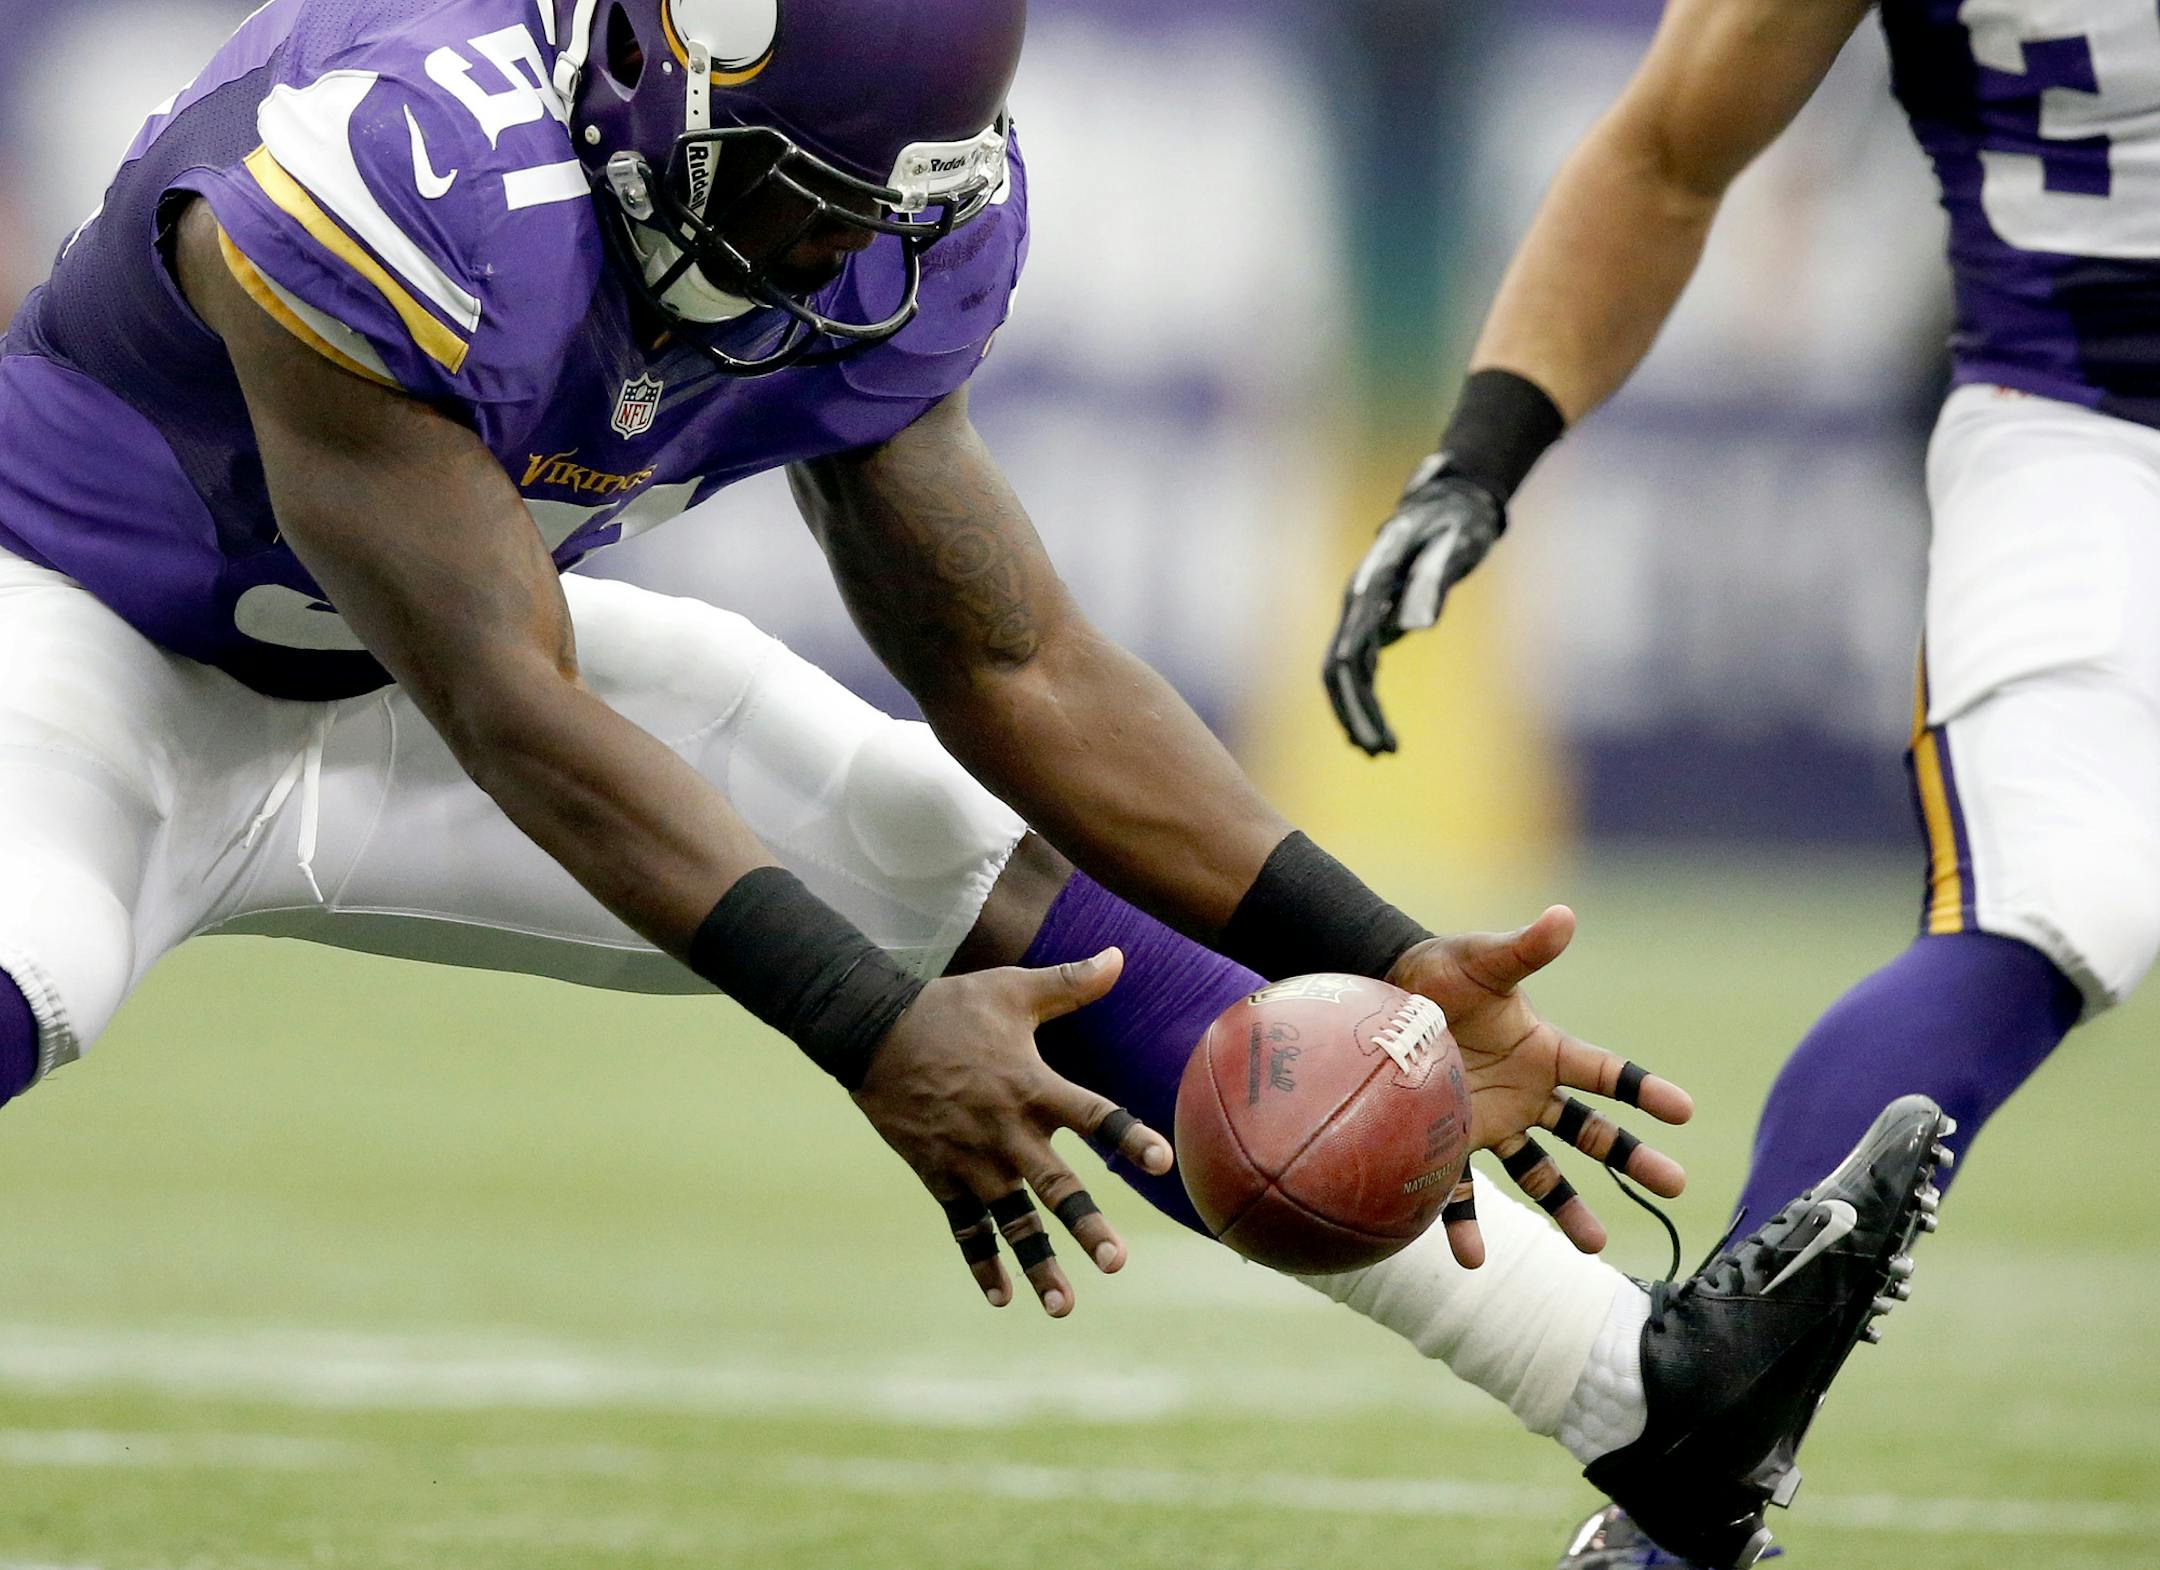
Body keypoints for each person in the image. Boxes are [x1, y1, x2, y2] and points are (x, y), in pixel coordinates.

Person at [0, 2, 1927, 1565]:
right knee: (42, 957)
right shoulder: (400, 157)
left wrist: (1388, 954)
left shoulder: (882, 220)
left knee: (937, 840)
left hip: (424, 679)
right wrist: (866, 1025)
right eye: (789, 207)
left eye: (870, 220)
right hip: (78, 647)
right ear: (649, 83)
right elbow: (509, 701)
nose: (829, 261)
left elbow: (1018, 663)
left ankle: (1651, 1403)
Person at [1321, 0, 2137, 1562]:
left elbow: (1671, 149)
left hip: (2083, 452)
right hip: (2090, 427)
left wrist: (1478, 459)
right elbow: (1673, 152)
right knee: (2037, 913)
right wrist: (1477, 453)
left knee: (2041, 913)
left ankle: (1683, 1492)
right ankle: (1695, 1455)